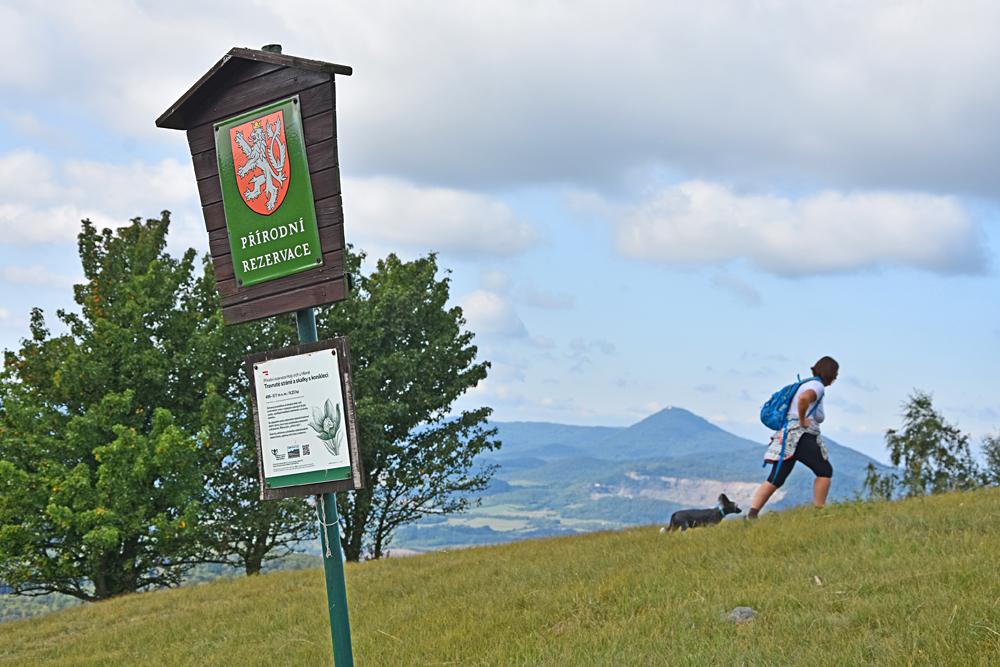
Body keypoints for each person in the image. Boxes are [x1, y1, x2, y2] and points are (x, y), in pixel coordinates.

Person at [748, 356, 839, 518]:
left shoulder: (804, 384)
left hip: (787, 437)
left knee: (776, 479)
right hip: (802, 437)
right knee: (825, 471)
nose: (836, 378)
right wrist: (803, 419)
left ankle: (751, 515)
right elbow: (804, 399)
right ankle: (819, 514)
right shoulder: (817, 387)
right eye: (836, 374)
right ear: (831, 374)